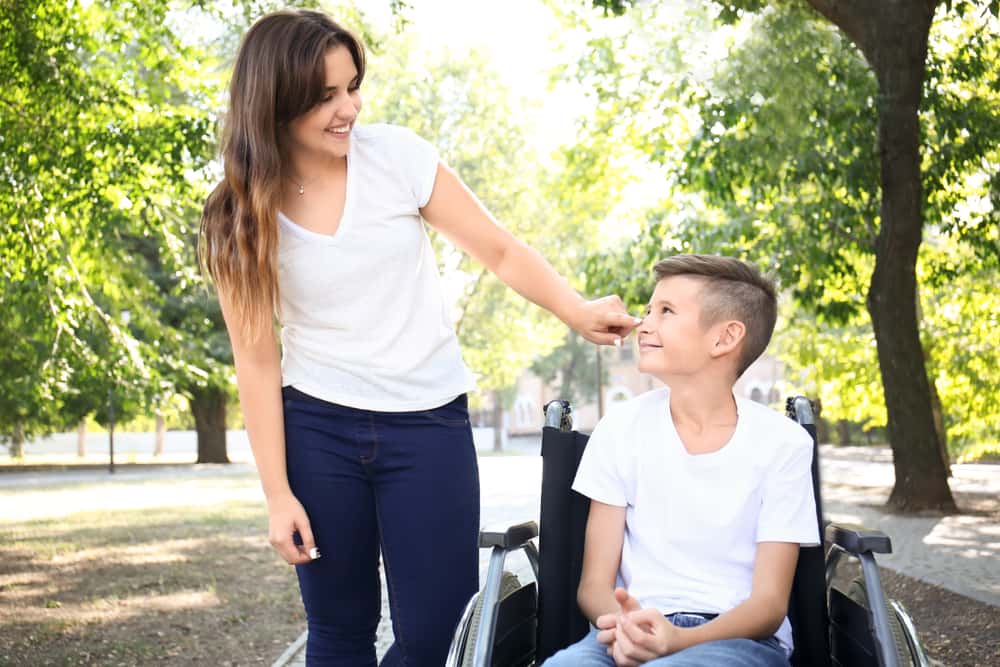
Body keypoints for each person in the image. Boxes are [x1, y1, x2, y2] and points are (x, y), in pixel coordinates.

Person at [198, 9, 640, 667]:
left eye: (353, 86)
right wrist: (277, 492)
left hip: (427, 425)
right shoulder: (236, 213)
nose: (348, 107)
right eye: (326, 96)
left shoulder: (397, 157)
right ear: (277, 101)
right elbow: (257, 362)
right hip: (317, 430)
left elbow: (499, 248)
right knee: (340, 631)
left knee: (438, 635)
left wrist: (573, 308)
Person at [543, 255, 820, 667]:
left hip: (736, 639)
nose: (644, 323)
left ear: (724, 338)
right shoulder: (619, 429)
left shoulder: (783, 444)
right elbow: (593, 586)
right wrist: (635, 631)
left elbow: (768, 605)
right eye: (649, 309)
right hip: (625, 630)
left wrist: (678, 642)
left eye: (666, 311)